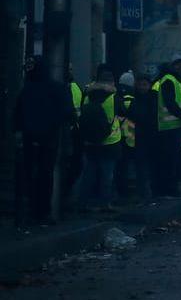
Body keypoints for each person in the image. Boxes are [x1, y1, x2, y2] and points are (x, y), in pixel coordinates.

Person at [16, 56, 73, 224]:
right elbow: (67, 112)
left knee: (31, 174)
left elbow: (18, 113)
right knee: (44, 174)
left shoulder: (28, 89)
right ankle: (42, 211)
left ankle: (33, 209)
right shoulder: (55, 88)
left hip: (31, 137)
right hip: (48, 138)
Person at [76, 67, 121, 211]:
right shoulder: (114, 97)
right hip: (109, 142)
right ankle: (105, 204)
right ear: (112, 82)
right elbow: (124, 112)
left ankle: (82, 203)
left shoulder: (87, 95)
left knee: (88, 174)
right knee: (107, 175)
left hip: (90, 141)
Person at [151, 55, 181, 196]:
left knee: (172, 160)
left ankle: (169, 188)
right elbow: (170, 103)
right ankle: (168, 189)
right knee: (169, 161)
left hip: (174, 126)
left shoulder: (177, 81)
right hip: (169, 127)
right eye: (177, 64)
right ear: (171, 66)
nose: (180, 67)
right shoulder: (169, 80)